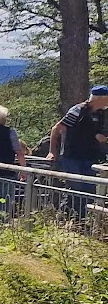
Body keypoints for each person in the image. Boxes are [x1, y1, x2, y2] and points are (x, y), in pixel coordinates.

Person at [47, 86, 108, 216]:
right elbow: (56, 129)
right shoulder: (78, 110)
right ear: (99, 99)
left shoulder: (101, 114)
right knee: (74, 190)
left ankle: (83, 221)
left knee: (89, 192)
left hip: (90, 158)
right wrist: (52, 151)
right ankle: (66, 218)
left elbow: (94, 132)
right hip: (72, 157)